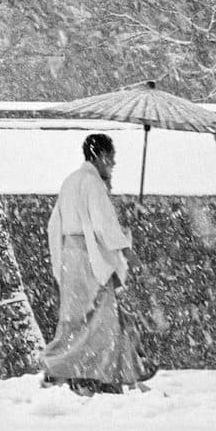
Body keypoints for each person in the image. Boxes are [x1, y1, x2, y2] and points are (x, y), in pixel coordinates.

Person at [41, 132, 149, 395]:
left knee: (75, 318)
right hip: (90, 258)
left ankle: (76, 368)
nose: (112, 164)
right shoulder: (92, 183)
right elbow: (103, 224)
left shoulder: (70, 181)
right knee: (101, 318)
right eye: (111, 159)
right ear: (101, 157)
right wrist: (125, 247)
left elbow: (55, 222)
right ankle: (95, 372)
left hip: (70, 255)